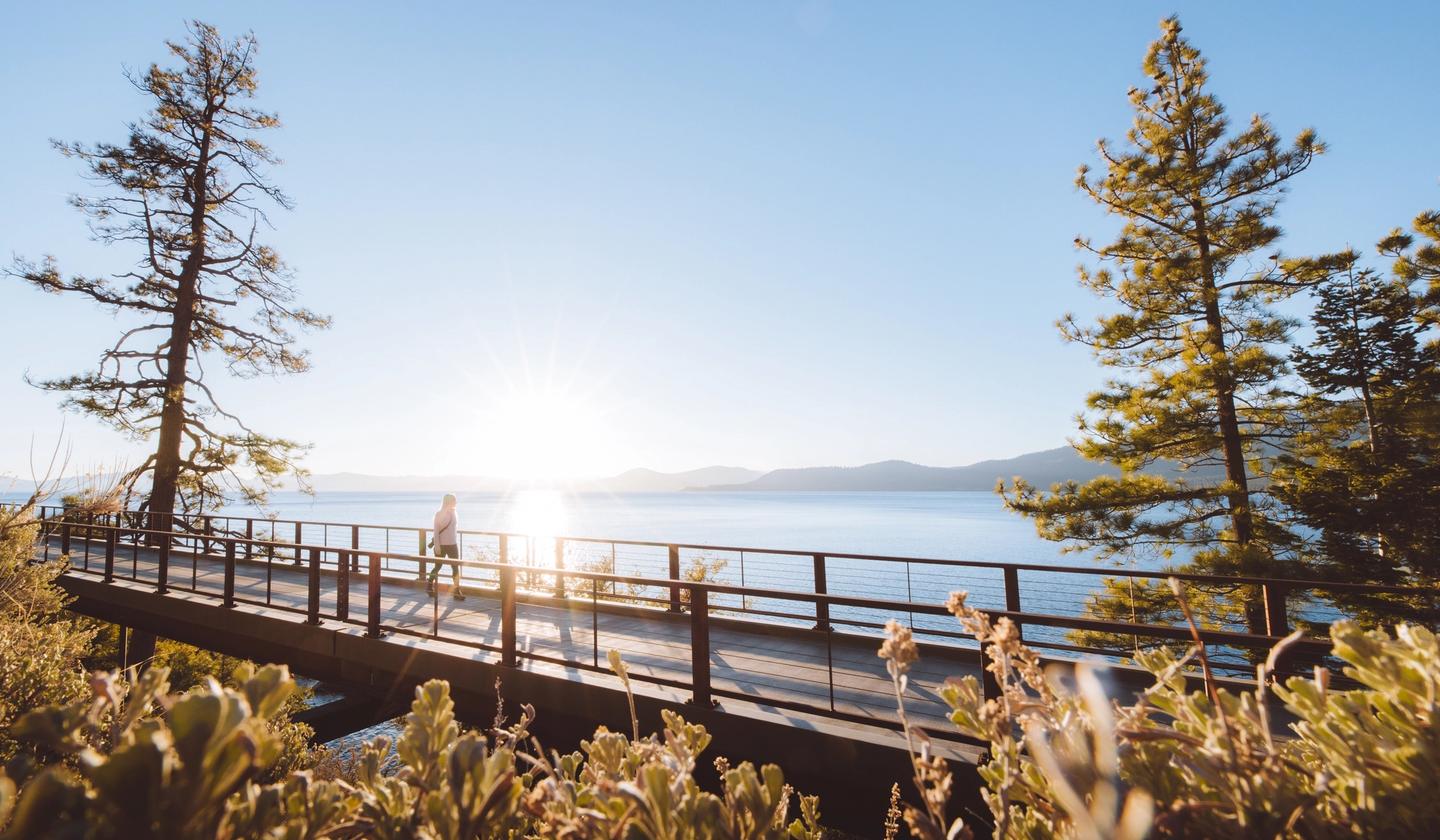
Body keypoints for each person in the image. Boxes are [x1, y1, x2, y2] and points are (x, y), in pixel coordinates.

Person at [427, 494, 465, 599]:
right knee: (437, 567)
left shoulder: (454, 513)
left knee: (455, 568)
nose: (456, 502)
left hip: (453, 544)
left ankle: (457, 592)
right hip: (442, 545)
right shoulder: (439, 514)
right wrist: (437, 547)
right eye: (454, 500)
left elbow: (453, 530)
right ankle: (429, 586)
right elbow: (436, 531)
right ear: (448, 501)